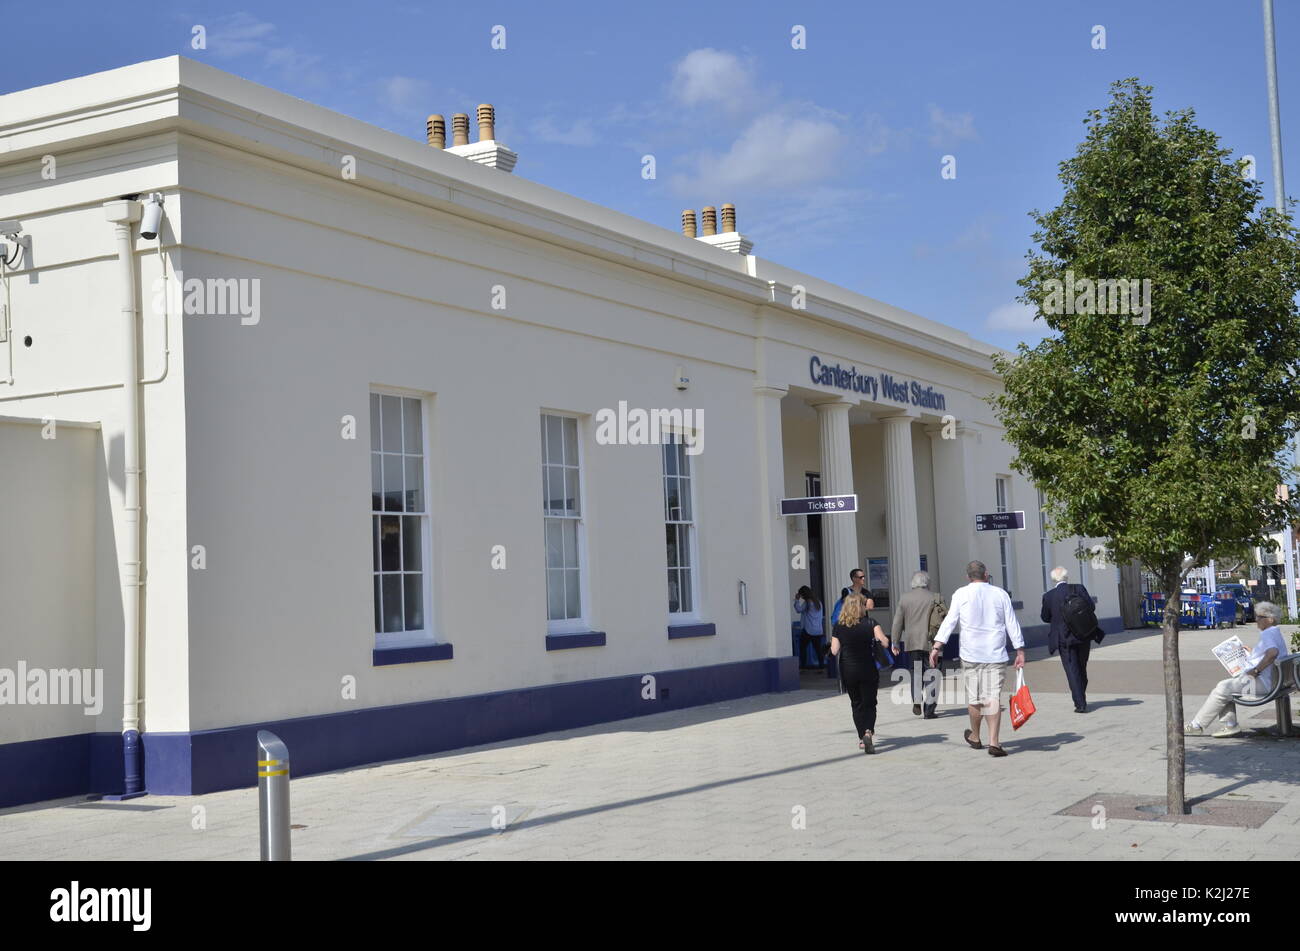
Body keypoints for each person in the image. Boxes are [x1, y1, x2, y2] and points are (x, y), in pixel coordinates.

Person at [930, 560, 1025, 757]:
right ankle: (994, 742)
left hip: (970, 654)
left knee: (974, 699)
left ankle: (975, 736)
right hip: (995, 654)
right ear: (986, 574)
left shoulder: (960, 594)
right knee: (992, 698)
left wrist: (937, 646)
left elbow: (950, 621)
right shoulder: (1000, 594)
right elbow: (1011, 622)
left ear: (968, 577)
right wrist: (1020, 650)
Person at [1185, 601, 1288, 738]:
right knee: (1225, 687)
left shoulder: (1267, 634)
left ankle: (1198, 726)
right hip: (1275, 681)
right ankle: (1229, 725)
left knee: (1223, 688)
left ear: (1270, 619)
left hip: (1264, 683)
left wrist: (1255, 671)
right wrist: (1253, 652)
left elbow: (1272, 653)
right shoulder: (1275, 632)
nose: (1256, 620)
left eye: (1259, 617)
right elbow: (1270, 652)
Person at [831, 593, 892, 754]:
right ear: (861, 607)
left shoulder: (838, 625)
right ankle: (868, 732)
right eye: (864, 605)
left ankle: (861, 739)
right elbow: (885, 642)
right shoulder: (871, 623)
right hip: (868, 669)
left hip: (849, 670)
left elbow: (834, 650)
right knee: (870, 703)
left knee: (856, 703)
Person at [1040, 566, 1102, 713]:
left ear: (1053, 579)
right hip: (1083, 635)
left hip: (1064, 638)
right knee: (1081, 667)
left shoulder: (1049, 596)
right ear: (1066, 577)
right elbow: (1091, 607)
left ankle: (1080, 703)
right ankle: (1080, 694)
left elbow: (1045, 617)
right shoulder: (1079, 589)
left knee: (1071, 670)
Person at [892, 570, 945, 718]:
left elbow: (897, 622)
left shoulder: (905, 598)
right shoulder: (936, 598)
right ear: (927, 583)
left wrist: (895, 641)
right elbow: (944, 621)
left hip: (912, 642)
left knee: (916, 672)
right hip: (932, 643)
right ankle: (929, 709)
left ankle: (916, 698)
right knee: (933, 674)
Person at [793, 586, 826, 669]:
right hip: (818, 630)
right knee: (818, 649)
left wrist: (797, 600)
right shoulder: (818, 602)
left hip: (808, 630)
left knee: (802, 648)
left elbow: (798, 609)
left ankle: (803, 666)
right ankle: (821, 666)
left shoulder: (807, 603)